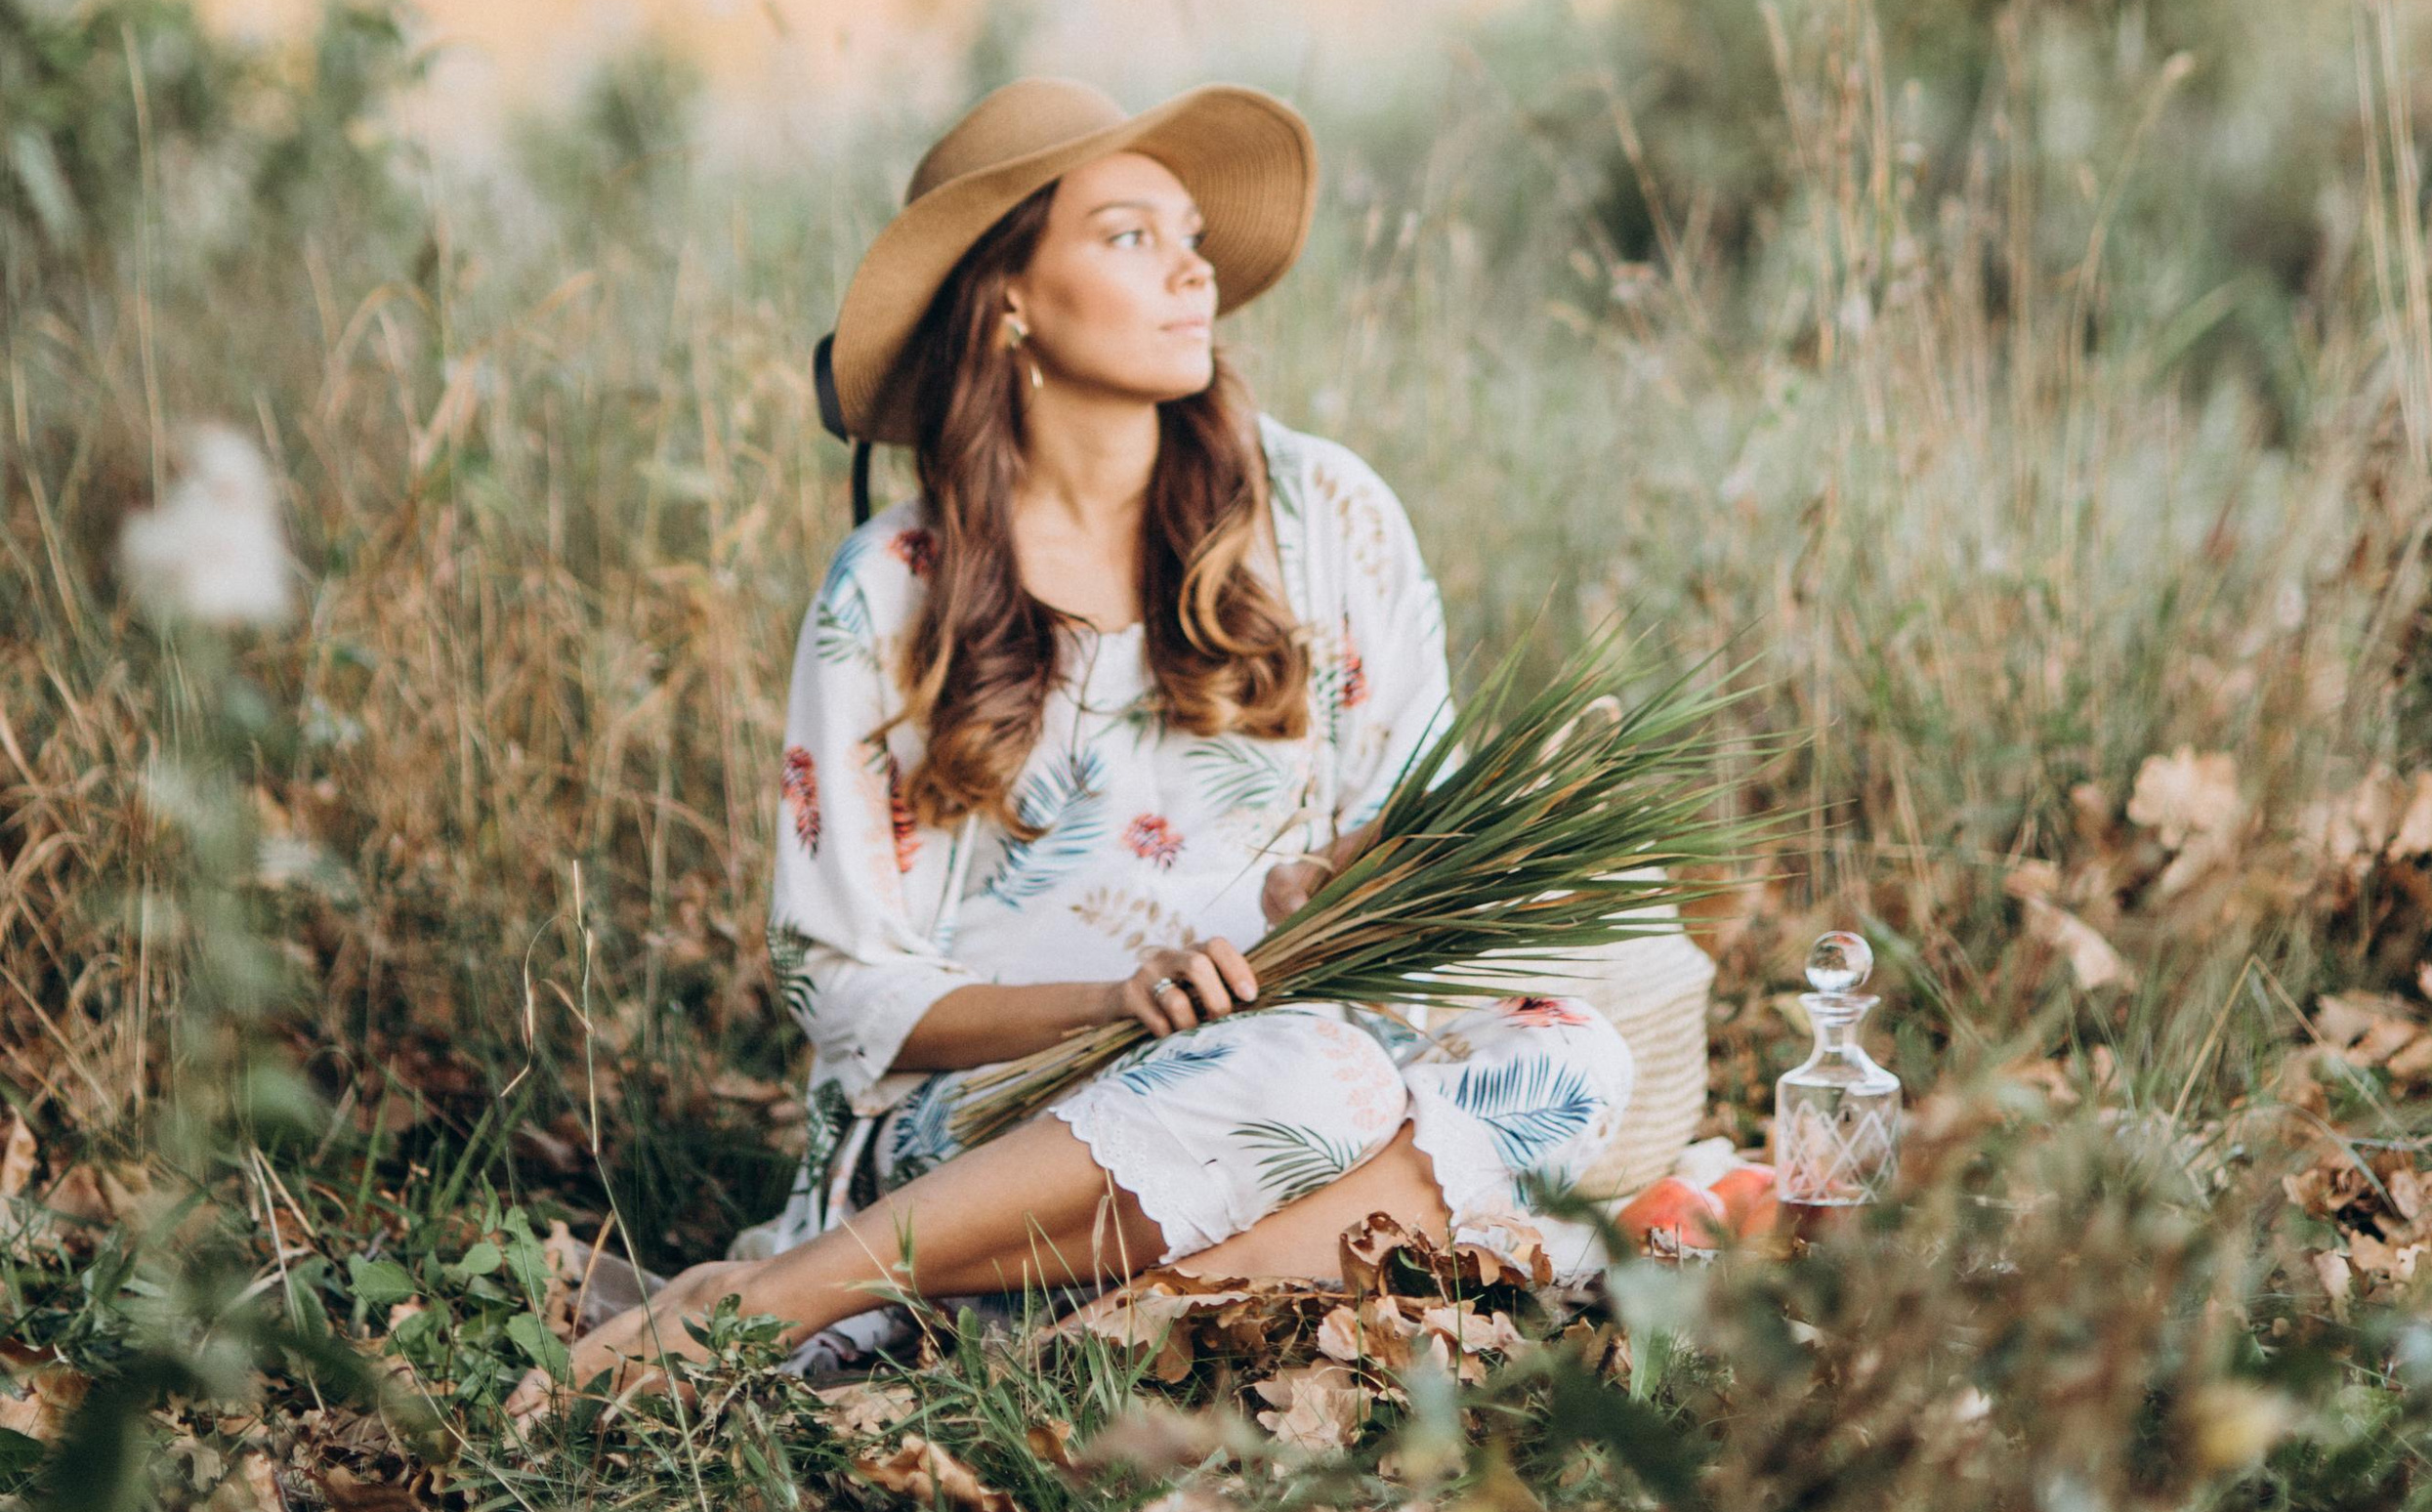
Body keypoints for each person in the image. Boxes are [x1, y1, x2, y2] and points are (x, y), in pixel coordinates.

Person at [550, 77, 1630, 1395]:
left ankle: (1069, 1348)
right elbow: (845, 993)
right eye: (1130, 236)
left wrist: (1339, 881)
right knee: (1323, 1084)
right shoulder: (894, 587)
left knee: (1570, 1058)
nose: (1193, 272)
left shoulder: (1326, 516)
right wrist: (1116, 1002)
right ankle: (780, 1304)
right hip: (997, 1121)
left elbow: (1422, 820)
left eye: (1191, 236)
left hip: (1283, 1063)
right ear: (1008, 298)